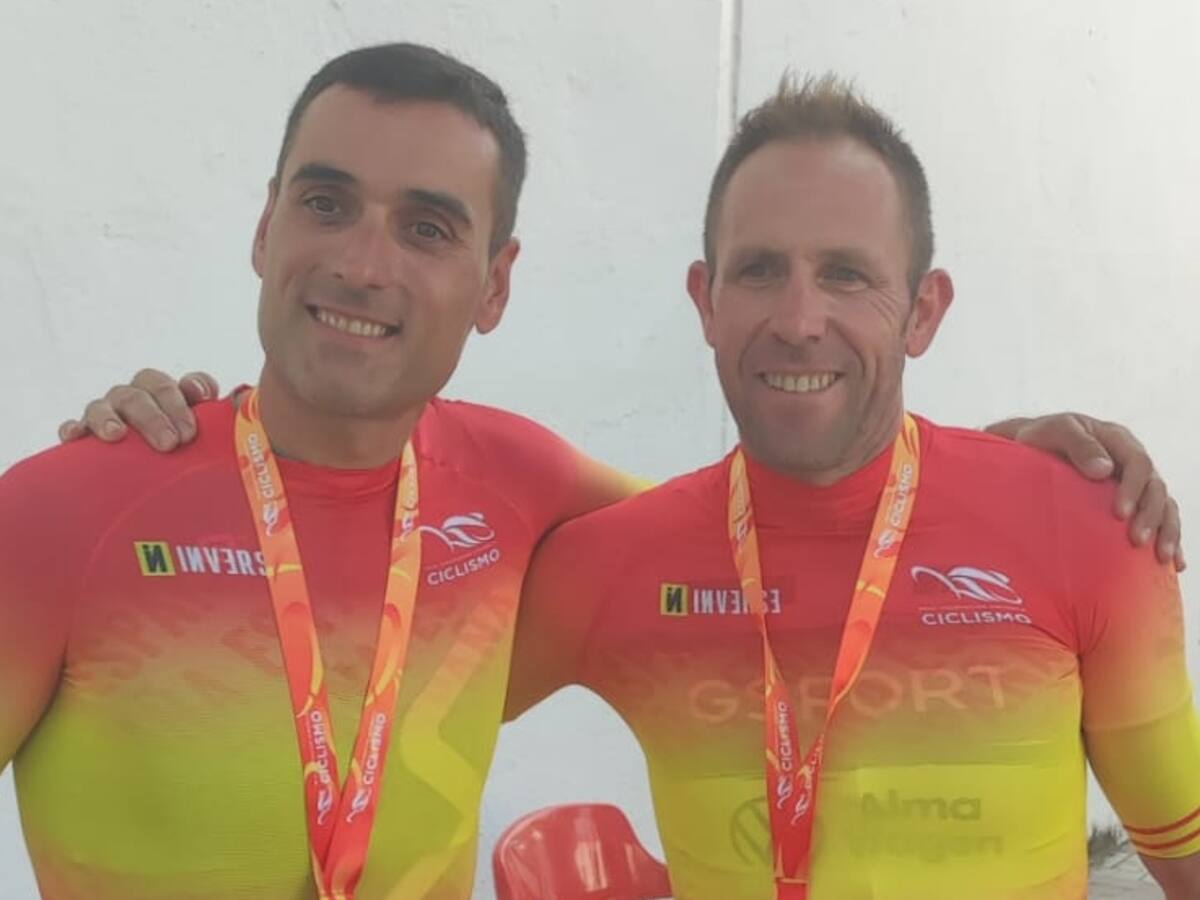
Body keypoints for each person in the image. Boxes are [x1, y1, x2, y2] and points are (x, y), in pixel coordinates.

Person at [36, 62, 1186, 900]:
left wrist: (1011, 470)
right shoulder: (625, 555)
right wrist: (163, 463)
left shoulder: (1082, 526)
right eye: (759, 271)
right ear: (704, 300)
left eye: (847, 275)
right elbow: (373, 638)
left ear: (923, 311)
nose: (800, 319)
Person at [0, 44, 642, 900]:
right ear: (267, 227)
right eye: (326, 204)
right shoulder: (64, 510)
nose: (361, 265)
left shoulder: (524, 485)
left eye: (426, 228)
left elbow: (769, 550)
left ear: (495, 285)